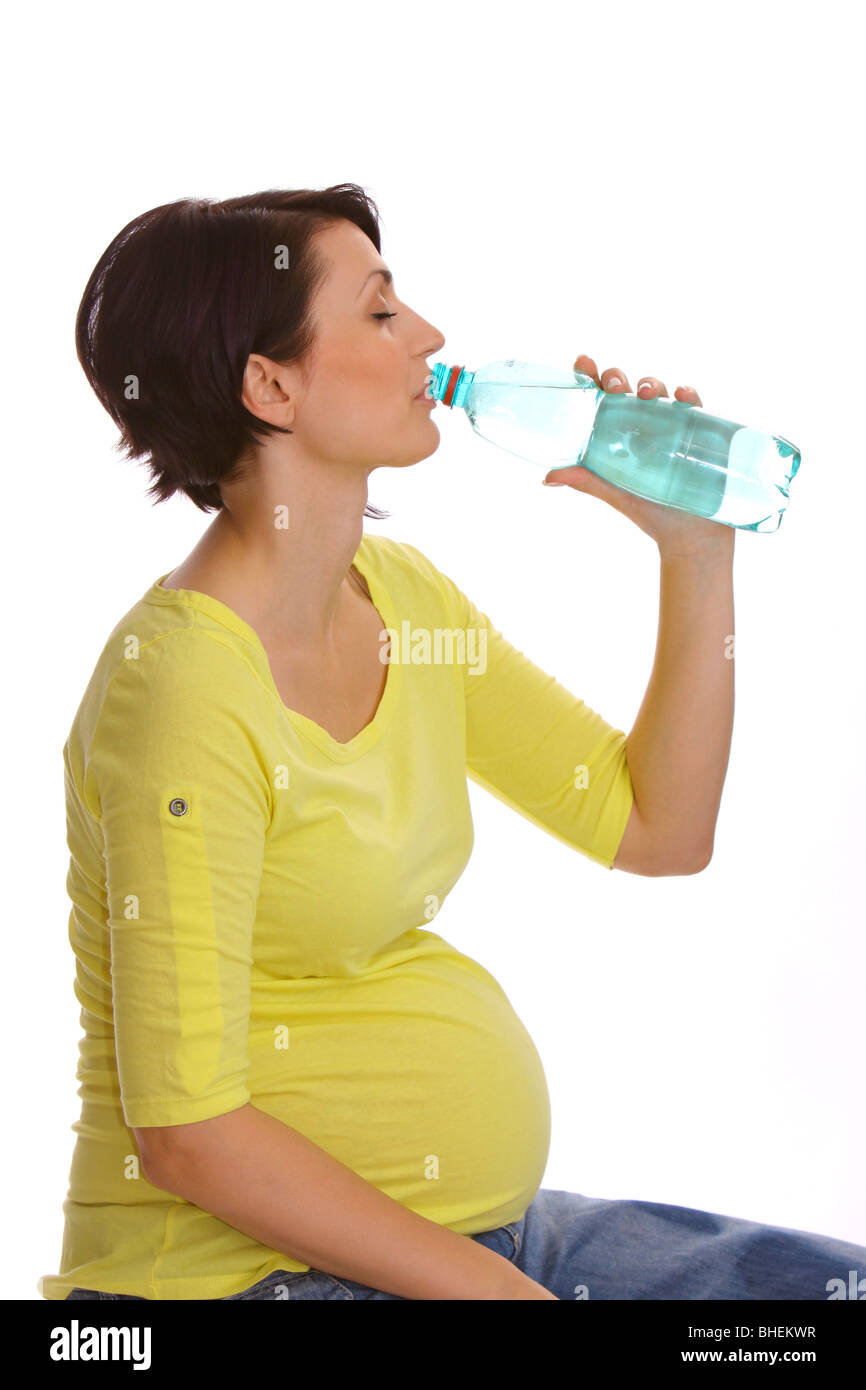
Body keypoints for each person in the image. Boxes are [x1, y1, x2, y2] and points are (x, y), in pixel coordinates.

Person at [41, 186, 866, 1302]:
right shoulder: (183, 691)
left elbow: (655, 826)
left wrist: (695, 554)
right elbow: (189, 1135)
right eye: (380, 312)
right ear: (269, 384)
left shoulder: (404, 603)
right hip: (253, 1279)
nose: (428, 335)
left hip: (487, 1238)